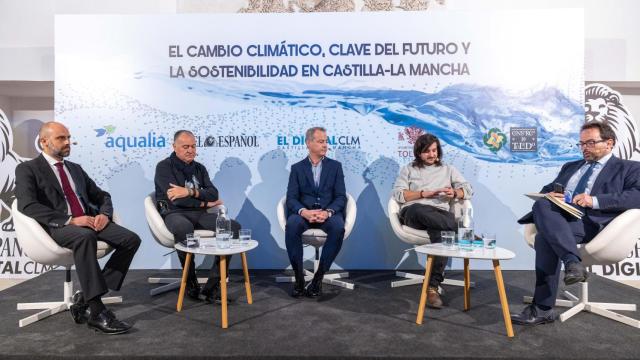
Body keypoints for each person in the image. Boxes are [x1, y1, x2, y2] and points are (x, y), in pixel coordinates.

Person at [15, 122, 140, 334]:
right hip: (58, 227)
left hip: (89, 221)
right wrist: (69, 220)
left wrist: (104, 214)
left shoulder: (75, 168)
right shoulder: (27, 168)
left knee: (131, 240)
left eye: (68, 137)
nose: (67, 142)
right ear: (44, 142)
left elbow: (102, 196)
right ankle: (97, 311)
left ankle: (85, 297)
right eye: (61, 138)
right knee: (84, 237)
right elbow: (27, 205)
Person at [512, 122, 640, 325]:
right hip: (562, 219)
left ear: (609, 143)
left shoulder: (629, 168)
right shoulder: (570, 166)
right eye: (581, 144)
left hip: (593, 223)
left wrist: (594, 200)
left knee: (545, 235)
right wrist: (551, 194)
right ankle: (572, 263)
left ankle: (543, 307)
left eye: (590, 142)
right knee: (544, 207)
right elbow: (547, 189)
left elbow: (636, 196)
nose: (584, 148)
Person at [154, 130, 240, 304]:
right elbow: (176, 201)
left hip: (198, 215)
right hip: (174, 213)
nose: (190, 150)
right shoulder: (164, 167)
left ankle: (213, 287)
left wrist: (189, 191)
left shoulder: (199, 168)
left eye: (193, 146)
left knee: (234, 228)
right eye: (185, 146)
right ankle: (191, 283)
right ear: (174, 147)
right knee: (183, 228)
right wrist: (203, 203)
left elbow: (213, 193)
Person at [392, 133, 473, 308]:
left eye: (434, 150)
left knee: (444, 234)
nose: (432, 155)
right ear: (419, 153)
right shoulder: (409, 169)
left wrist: (455, 193)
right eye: (427, 151)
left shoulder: (448, 169)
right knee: (420, 209)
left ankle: (432, 288)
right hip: (414, 213)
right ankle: (465, 235)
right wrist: (423, 194)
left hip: (439, 216)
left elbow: (468, 189)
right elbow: (398, 194)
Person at [285, 127, 347, 298]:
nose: (325, 145)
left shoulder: (335, 167)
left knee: (338, 227)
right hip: (305, 214)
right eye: (321, 141)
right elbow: (291, 198)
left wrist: (328, 212)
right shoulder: (297, 168)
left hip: (327, 214)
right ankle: (298, 277)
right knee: (292, 224)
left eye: (326, 141)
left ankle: (318, 277)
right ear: (309, 143)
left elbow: (341, 197)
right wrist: (303, 211)